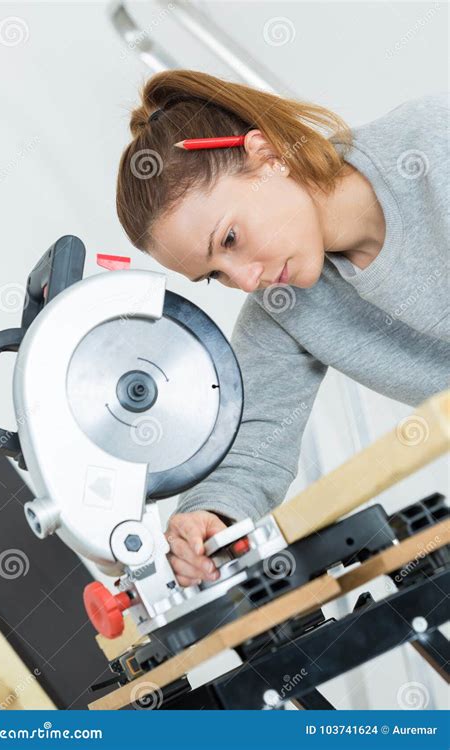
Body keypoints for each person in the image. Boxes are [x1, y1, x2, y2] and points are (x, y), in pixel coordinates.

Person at [116, 69, 449, 587]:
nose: (246, 279)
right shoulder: (283, 301)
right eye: (215, 275)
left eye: (229, 239)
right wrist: (211, 520)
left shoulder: (434, 144)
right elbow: (250, 444)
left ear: (267, 157)